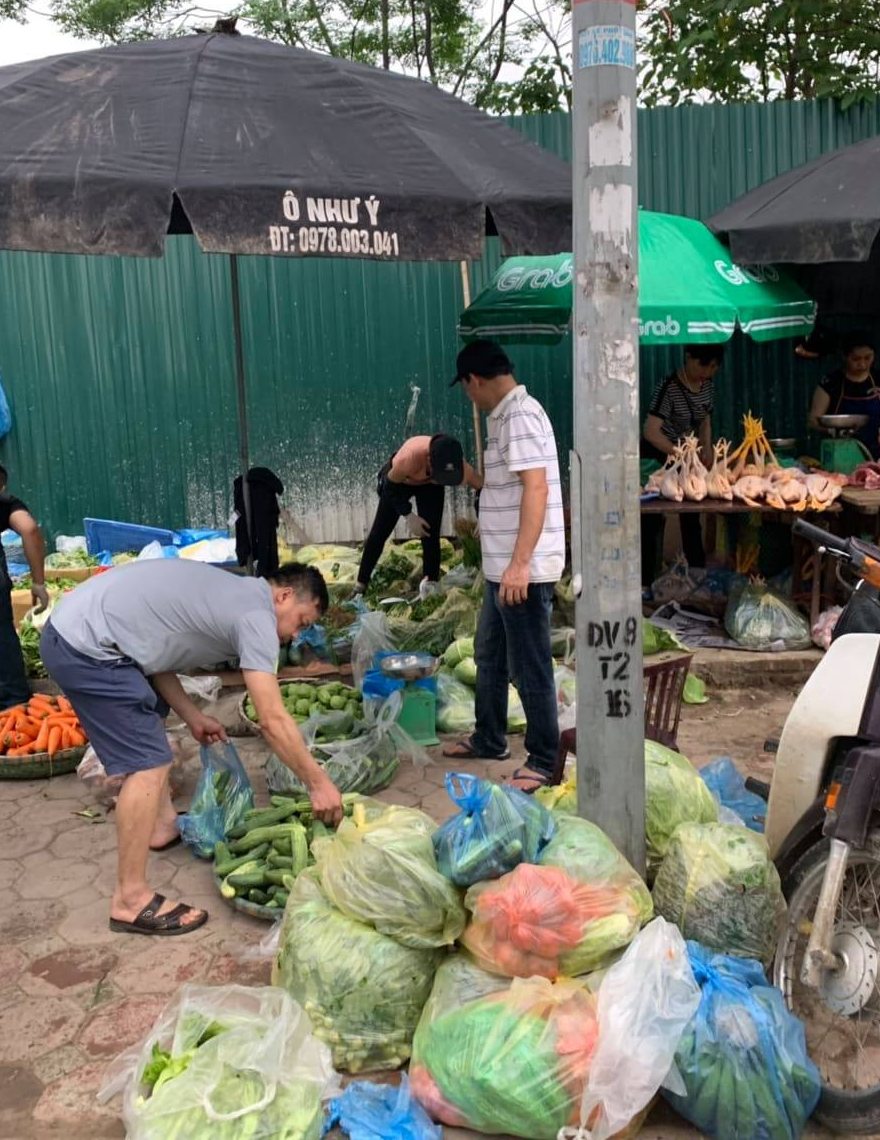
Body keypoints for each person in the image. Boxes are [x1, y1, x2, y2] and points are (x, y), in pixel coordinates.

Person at [40, 559, 341, 937]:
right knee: (149, 762)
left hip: (80, 633)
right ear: (282, 596)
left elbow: (154, 654)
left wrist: (192, 716)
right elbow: (273, 719)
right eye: (302, 622)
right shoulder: (255, 615)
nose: (298, 636)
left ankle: (161, 827)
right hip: (86, 646)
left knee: (150, 729)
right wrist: (318, 783)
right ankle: (130, 900)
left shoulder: (235, 593)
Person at [443, 341, 564, 792]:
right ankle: (490, 737)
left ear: (475, 380)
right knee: (489, 654)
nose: (469, 398)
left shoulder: (521, 417)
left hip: (520, 572)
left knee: (529, 664)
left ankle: (545, 758)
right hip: (502, 568)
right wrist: (465, 474)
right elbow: (504, 486)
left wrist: (519, 565)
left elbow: (537, 490)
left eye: (467, 389)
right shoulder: (505, 419)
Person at [356, 434, 480, 595]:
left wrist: (483, 515)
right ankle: (361, 584)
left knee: (430, 533)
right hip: (399, 484)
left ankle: (430, 585)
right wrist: (408, 515)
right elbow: (388, 486)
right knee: (380, 531)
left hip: (429, 487)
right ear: (429, 460)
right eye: (441, 476)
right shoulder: (408, 458)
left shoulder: (458, 466)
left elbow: (482, 488)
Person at [641, 344, 725, 583]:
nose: (706, 374)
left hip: (687, 455)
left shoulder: (706, 385)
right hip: (659, 454)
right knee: (652, 518)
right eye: (702, 366)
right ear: (689, 357)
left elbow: (705, 419)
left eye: (712, 369)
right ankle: (647, 580)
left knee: (692, 514)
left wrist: (705, 448)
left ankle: (697, 575)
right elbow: (651, 432)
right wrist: (680, 454)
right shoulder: (668, 389)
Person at [0, 460, 47, 708]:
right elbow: (30, 529)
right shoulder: (3, 500)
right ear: (0, 487)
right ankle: (13, 703)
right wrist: (38, 583)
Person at [808, 334, 880, 461]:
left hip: (877, 454)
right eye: (856, 359)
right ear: (845, 357)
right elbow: (812, 420)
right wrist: (831, 430)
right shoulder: (831, 382)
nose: (862, 364)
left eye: (868, 358)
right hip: (841, 453)